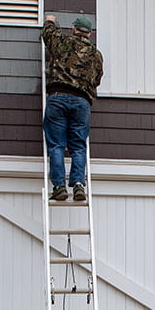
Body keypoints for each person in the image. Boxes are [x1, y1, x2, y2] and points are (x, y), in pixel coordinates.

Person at [42, 13, 104, 202]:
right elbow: (98, 79)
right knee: (78, 146)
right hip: (81, 102)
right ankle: (78, 185)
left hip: (58, 97)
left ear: (74, 30)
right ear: (90, 34)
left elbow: (48, 34)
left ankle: (59, 186)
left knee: (57, 145)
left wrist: (50, 20)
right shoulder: (96, 54)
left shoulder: (62, 42)